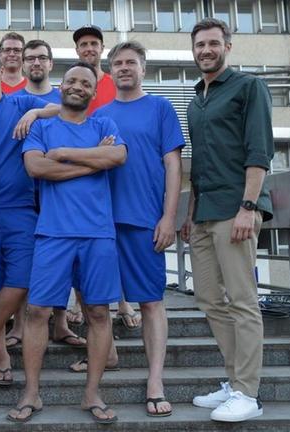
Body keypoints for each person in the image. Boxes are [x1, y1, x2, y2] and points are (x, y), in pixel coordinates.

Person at [9, 61, 126, 424]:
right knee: (38, 313)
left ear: (94, 91)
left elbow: (119, 155)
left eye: (85, 82)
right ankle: (31, 392)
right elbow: (36, 169)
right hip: (53, 233)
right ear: (61, 87)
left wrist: (63, 154)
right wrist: (94, 163)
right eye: (71, 80)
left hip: (97, 234)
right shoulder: (43, 127)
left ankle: (91, 394)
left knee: (98, 313)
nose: (78, 86)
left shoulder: (103, 124)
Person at [181, 17, 273, 423]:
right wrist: (189, 213)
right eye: (200, 44)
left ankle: (247, 392)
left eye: (213, 43)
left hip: (236, 210)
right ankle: (235, 381)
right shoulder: (195, 100)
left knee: (242, 302)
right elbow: (199, 164)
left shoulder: (248, 87)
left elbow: (259, 151)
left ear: (227, 47)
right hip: (203, 213)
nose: (206, 50)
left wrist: (248, 208)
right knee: (207, 298)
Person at [96, 41, 185, 417]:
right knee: (96, 301)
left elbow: (173, 165)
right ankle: (102, 366)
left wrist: (169, 217)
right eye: (117, 63)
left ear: (143, 68)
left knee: (150, 302)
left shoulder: (161, 108)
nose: (123, 68)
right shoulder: (100, 113)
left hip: (145, 220)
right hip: (101, 221)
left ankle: (154, 381)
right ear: (110, 71)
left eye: (130, 62)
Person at [0, 46, 58, 387]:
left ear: (2, 68)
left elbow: (61, 108)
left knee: (19, 281)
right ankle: (1, 354)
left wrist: (36, 115)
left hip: (21, 210)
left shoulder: (20, 103)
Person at [5, 39, 86, 351]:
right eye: (30, 58)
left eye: (42, 58)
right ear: (22, 65)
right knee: (29, 259)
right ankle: (20, 323)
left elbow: (71, 111)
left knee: (64, 258)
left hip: (61, 191)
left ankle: (61, 322)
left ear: (52, 64)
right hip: (23, 193)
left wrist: (39, 112)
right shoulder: (12, 100)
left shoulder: (64, 95)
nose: (36, 63)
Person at [72, 24, 140, 332]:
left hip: (119, 171)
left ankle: (123, 300)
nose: (88, 48)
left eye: (93, 44)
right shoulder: (74, 82)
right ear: (77, 50)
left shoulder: (116, 82)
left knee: (114, 238)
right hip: (86, 173)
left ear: (101, 48)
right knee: (84, 237)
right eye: (83, 44)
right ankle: (78, 301)